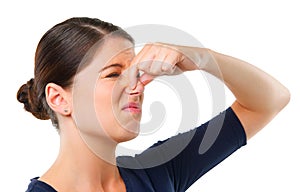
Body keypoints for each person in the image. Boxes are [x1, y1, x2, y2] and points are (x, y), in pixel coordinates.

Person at [17, 17, 290, 192]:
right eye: (113, 74)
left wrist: (199, 58)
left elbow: (269, 100)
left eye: (134, 72)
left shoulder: (157, 173)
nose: (136, 86)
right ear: (59, 99)